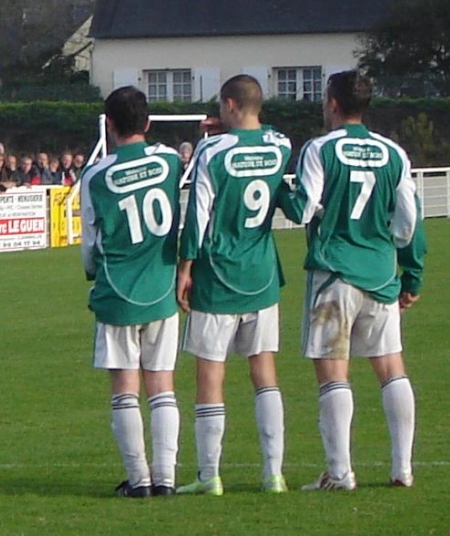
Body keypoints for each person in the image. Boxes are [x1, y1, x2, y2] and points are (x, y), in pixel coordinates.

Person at [278, 70, 427, 491]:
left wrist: (277, 190)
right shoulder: (393, 152)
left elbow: (303, 209)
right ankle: (402, 468)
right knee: (391, 367)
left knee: (333, 373)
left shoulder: (319, 149)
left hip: (335, 273)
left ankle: (340, 473)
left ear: (333, 104)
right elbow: (410, 221)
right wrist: (410, 272)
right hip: (380, 272)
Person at [176, 75, 292, 496]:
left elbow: (199, 213)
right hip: (261, 273)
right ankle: (273, 474)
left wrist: (185, 267)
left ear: (229, 105)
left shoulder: (212, 149)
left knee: (210, 374)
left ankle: (210, 476)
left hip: (219, 273)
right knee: (264, 372)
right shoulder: (281, 144)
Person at [81, 85, 183, 498]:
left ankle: (139, 480)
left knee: (125, 388)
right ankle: (167, 478)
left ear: (109, 125)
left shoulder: (96, 174)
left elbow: (91, 242)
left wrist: (93, 271)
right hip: (161, 287)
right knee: (162, 385)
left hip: (118, 291)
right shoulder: (172, 161)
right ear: (148, 123)